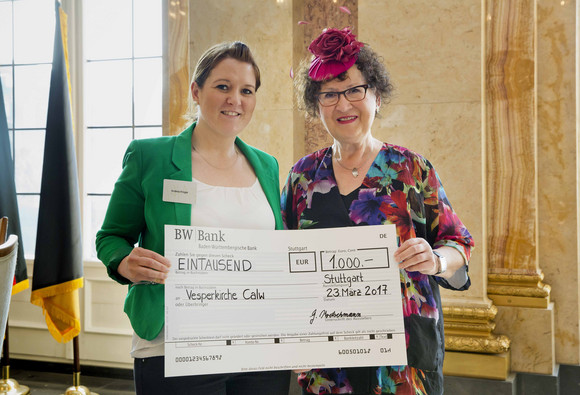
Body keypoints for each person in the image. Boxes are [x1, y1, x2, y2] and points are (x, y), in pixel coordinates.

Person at [282, 27, 474, 394]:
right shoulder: (302, 178)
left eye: (355, 90)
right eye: (329, 94)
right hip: (328, 361)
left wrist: (434, 259)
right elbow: (284, 266)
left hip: (404, 358)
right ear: (315, 104)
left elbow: (458, 244)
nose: (343, 105)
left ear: (377, 97)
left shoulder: (411, 170)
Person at [96, 41, 290, 395]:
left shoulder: (268, 165)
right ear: (196, 92)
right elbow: (110, 237)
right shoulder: (149, 156)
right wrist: (125, 263)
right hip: (174, 346)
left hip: (259, 347)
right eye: (223, 87)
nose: (236, 99)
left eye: (247, 90)